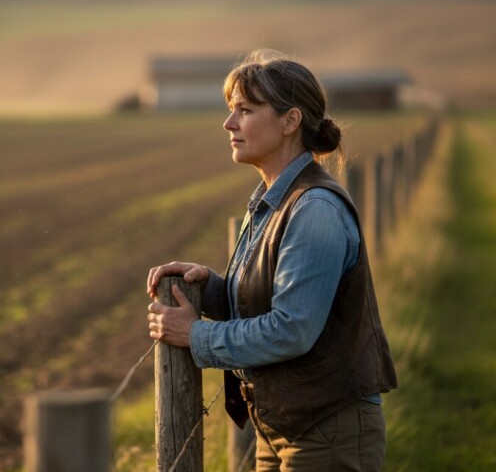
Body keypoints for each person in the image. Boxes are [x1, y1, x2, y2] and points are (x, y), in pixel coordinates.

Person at [145, 49, 398, 471]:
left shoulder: (314, 209)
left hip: (326, 431)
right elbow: (271, 296)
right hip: (282, 427)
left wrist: (196, 336)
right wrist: (209, 287)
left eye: (245, 110)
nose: (229, 123)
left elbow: (292, 329)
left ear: (289, 121)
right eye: (231, 110)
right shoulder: (271, 201)